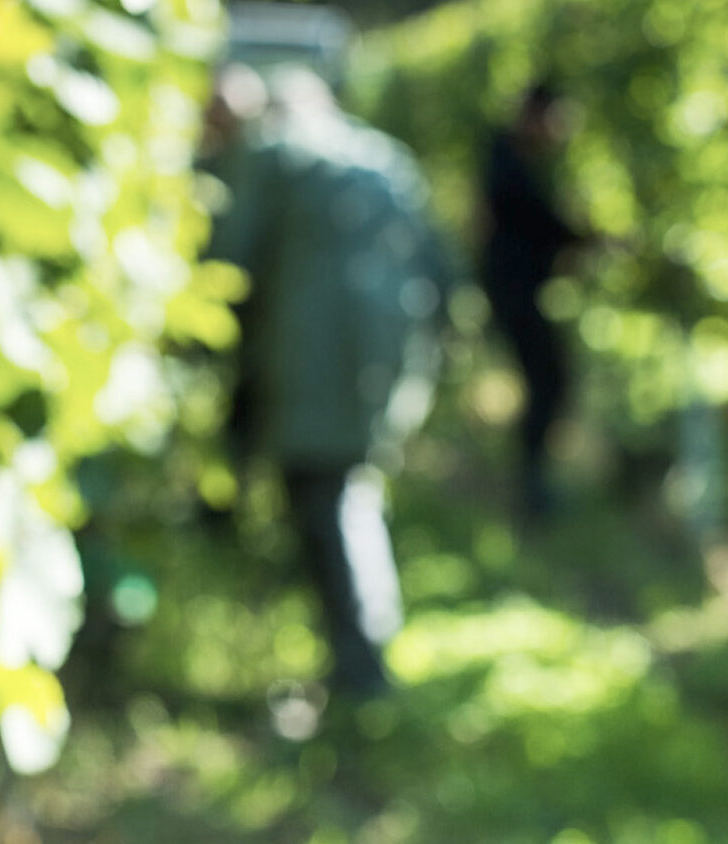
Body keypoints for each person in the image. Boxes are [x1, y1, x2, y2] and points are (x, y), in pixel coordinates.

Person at [199, 64, 447, 700]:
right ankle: (368, 645)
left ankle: (360, 670)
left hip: (308, 356)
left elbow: (228, 257)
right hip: (385, 352)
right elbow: (441, 266)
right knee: (351, 490)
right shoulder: (386, 155)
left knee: (325, 503)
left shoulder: (274, 151)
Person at [477, 83, 583, 519]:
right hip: (512, 289)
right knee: (549, 381)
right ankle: (532, 489)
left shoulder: (512, 158)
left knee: (548, 381)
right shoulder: (508, 162)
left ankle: (532, 483)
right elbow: (538, 221)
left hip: (515, 287)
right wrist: (585, 238)